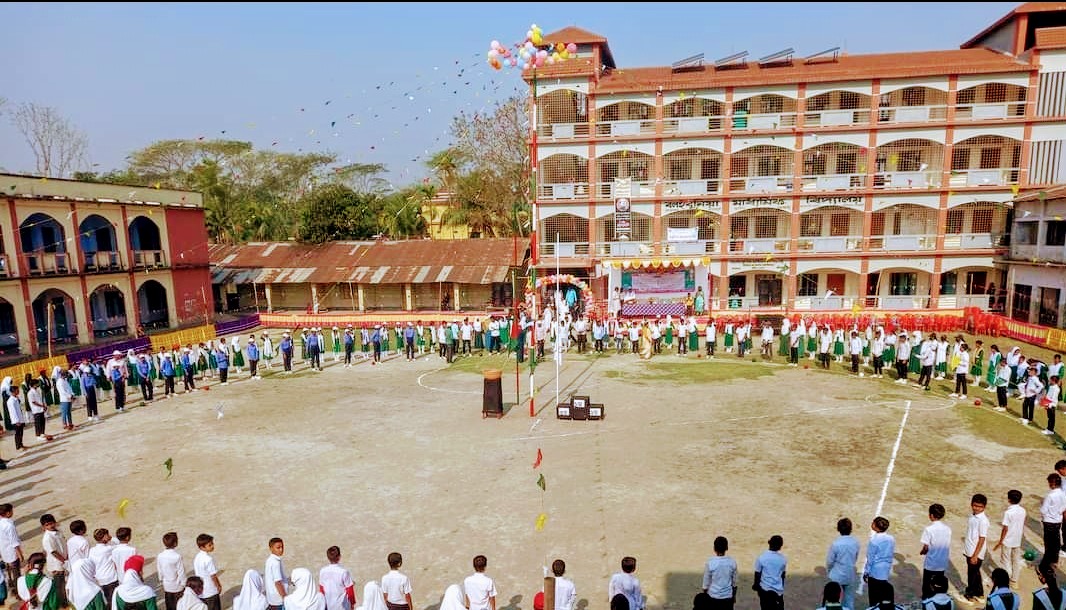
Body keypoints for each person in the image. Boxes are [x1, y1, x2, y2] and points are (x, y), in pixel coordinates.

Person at [991, 490, 1024, 589]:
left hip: (1008, 540)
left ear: (1009, 499)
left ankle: (1005, 579)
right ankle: (1014, 580)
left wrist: (1000, 541)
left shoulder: (1008, 512)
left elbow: (1005, 528)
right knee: (1016, 560)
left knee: (1005, 561)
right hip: (1017, 539)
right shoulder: (1023, 510)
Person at [826, 518, 860, 610]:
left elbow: (830, 561)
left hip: (837, 575)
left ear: (838, 529)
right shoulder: (855, 542)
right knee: (849, 599)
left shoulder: (836, 544)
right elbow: (855, 557)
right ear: (851, 529)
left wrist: (829, 571)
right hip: (849, 574)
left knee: (835, 599)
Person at [919, 504, 951, 600]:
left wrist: (923, 551)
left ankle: (926, 601)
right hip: (942, 563)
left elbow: (926, 547)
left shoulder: (929, 529)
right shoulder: (948, 529)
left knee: (927, 585)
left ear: (931, 515)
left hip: (931, 563)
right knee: (938, 583)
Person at [863, 517, 894, 609]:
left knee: (873, 597)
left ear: (876, 527)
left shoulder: (874, 541)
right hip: (885, 570)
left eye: (873, 523)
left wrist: (866, 572)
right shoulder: (891, 539)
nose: (871, 523)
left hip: (875, 571)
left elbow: (870, 558)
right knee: (883, 593)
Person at [963, 494, 989, 601]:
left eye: (979, 506)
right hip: (969, 549)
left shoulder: (983, 520)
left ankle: (970, 594)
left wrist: (975, 555)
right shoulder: (972, 516)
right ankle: (979, 592)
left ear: (984, 507)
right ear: (971, 504)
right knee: (976, 573)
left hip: (976, 552)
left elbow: (982, 538)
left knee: (971, 574)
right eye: (975, 505)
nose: (977, 508)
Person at [1040, 473, 1066, 579]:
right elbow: (1064, 506)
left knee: (1049, 545)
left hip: (1049, 522)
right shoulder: (1063, 494)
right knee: (1056, 543)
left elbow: (1043, 510)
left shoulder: (1050, 495)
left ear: (1052, 484)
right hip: (1057, 521)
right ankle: (1054, 562)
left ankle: (1044, 568)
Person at [702, 536, 736, 610]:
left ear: (714, 548)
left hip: (713, 597)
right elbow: (734, 583)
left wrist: (705, 596)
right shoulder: (732, 562)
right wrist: (733, 596)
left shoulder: (710, 563)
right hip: (727, 598)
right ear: (727, 548)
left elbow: (705, 584)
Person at [752, 535, 786, 610]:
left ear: (769, 543)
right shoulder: (783, 559)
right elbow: (783, 575)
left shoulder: (762, 558)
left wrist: (756, 586)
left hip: (765, 590)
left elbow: (757, 574)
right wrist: (781, 587)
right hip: (778, 591)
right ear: (780, 546)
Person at [40, 514, 67, 608]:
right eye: (47, 525)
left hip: (62, 561)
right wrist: (64, 561)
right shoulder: (47, 538)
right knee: (59, 585)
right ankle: (62, 604)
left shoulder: (58, 531)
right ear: (43, 527)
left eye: (51, 523)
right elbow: (53, 552)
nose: (50, 526)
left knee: (62, 583)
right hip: (57, 564)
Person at [89, 528, 119, 606]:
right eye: (107, 535)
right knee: (114, 600)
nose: (109, 536)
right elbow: (119, 543)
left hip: (100, 579)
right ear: (104, 537)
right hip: (111, 578)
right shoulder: (108, 549)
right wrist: (111, 538)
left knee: (108, 599)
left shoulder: (92, 550)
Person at [157, 532, 187, 610]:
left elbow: (159, 570)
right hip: (178, 587)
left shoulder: (160, 556)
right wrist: (184, 584)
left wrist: (161, 579)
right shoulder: (177, 556)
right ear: (175, 543)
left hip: (167, 586)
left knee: (170, 606)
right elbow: (181, 572)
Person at [193, 534, 221, 610]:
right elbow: (213, 576)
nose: (212, 546)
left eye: (212, 543)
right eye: (210, 545)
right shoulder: (208, 559)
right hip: (211, 590)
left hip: (201, 591)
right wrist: (218, 586)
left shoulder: (197, 557)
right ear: (202, 547)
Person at [0, 503, 22, 595]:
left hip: (4, 551)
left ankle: (12, 585)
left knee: (9, 570)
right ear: (8, 513)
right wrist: (20, 554)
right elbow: (14, 542)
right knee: (16, 572)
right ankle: (18, 591)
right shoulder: (9, 526)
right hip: (12, 552)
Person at [266, 538, 289, 610]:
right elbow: (278, 582)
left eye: (282, 547)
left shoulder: (270, 560)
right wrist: (285, 597)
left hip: (272, 598)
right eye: (278, 548)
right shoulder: (275, 562)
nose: (281, 550)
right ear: (271, 548)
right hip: (278, 599)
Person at [6, 385, 26, 450]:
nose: (18, 391)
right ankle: (18, 446)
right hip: (16, 420)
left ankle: (21, 444)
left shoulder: (16, 398)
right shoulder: (11, 401)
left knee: (21, 433)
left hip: (20, 418)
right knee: (17, 434)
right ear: (14, 391)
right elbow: (13, 412)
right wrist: (17, 421)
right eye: (17, 390)